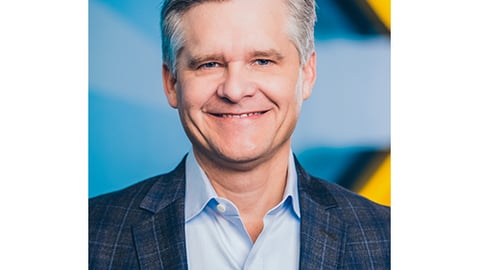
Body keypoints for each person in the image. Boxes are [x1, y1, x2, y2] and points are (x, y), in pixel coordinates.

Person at [89, 0, 390, 269]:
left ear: (306, 73)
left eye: (262, 61)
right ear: (171, 83)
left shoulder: (388, 239)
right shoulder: (90, 236)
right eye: (209, 64)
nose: (234, 90)